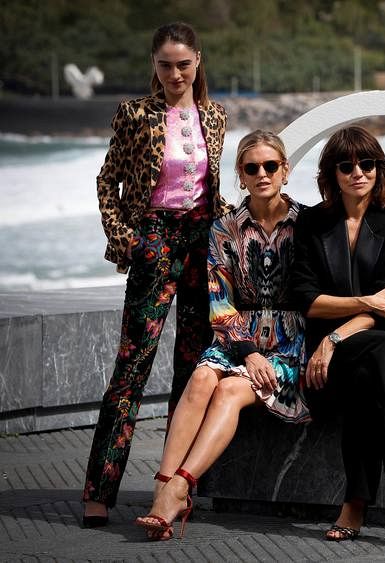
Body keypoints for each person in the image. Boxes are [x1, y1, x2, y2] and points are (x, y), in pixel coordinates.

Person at [82, 22, 230, 527]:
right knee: (132, 368)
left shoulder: (215, 116)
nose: (175, 73)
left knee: (193, 370)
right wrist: (126, 238)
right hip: (154, 242)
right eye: (165, 64)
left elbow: (213, 189)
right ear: (154, 64)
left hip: (202, 245)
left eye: (183, 64)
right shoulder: (135, 114)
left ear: (198, 61)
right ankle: (99, 489)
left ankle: (176, 489)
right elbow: (108, 181)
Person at [135, 130, 308, 540]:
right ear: (241, 176)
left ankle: (179, 488)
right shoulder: (224, 228)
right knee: (200, 379)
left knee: (230, 390)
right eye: (252, 168)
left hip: (289, 343)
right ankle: (163, 488)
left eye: (271, 166)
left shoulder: (308, 224)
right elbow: (219, 298)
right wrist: (248, 352)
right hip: (236, 337)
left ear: (285, 171)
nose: (262, 174)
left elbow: (336, 273)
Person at [292, 126, 385, 541]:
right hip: (345, 356)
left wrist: (333, 338)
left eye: (368, 164)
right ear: (332, 173)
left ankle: (357, 503)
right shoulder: (311, 224)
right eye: (346, 165)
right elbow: (307, 299)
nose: (358, 172)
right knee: (365, 374)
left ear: (380, 169)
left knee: (384, 351)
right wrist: (365, 302)